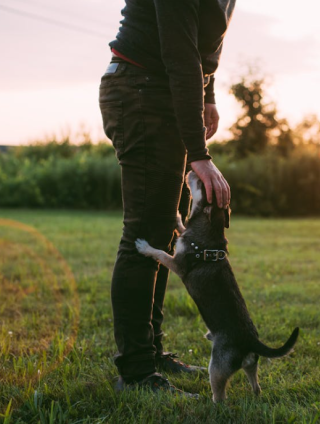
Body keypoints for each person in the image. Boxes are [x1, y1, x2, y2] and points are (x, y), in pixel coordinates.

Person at [98, 0, 235, 397]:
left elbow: (207, 44)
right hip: (141, 88)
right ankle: (136, 372)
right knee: (144, 234)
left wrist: (208, 94)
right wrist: (199, 154)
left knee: (163, 232)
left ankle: (152, 353)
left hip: (161, 90)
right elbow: (179, 52)